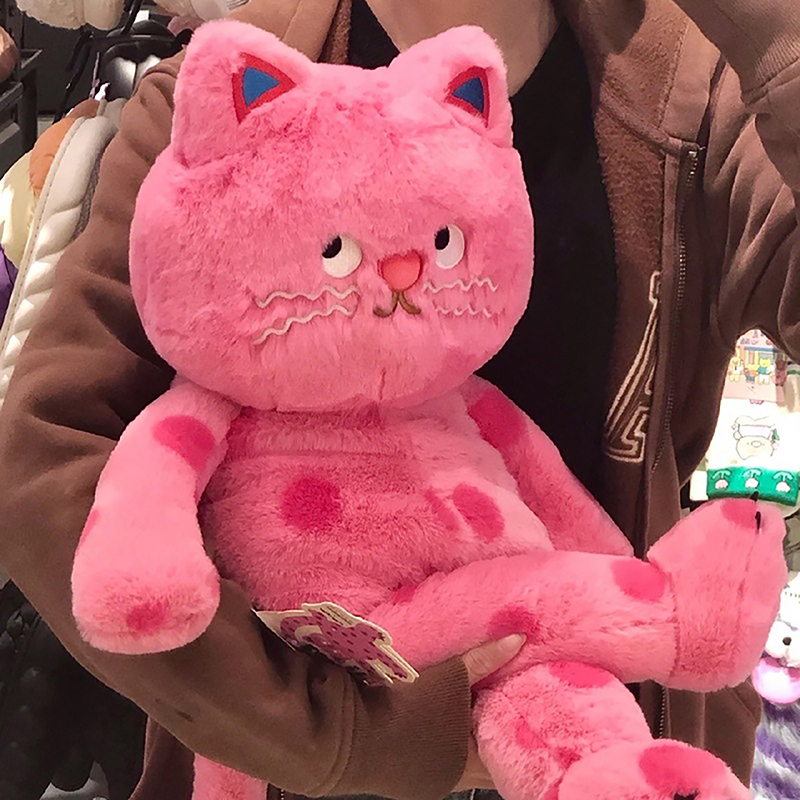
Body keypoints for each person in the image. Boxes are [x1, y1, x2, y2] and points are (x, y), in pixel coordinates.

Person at [0, 0, 798, 798]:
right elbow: (45, 459)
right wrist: (347, 736)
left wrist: (777, 49)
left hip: (601, 715)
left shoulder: (696, 100)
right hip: (289, 757)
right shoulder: (222, 87)